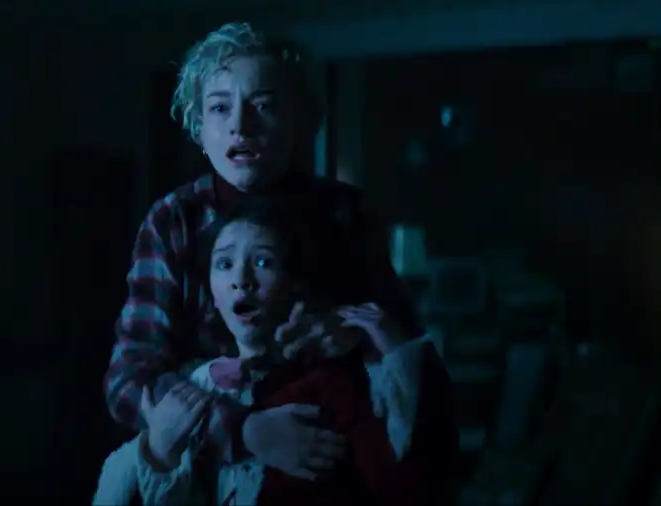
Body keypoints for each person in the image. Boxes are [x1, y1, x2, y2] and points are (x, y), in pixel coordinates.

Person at [104, 21, 454, 489]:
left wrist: (355, 335)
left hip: (334, 465)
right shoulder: (174, 220)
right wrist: (243, 431)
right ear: (199, 128)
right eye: (220, 107)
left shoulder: (343, 214)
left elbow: (408, 364)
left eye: (263, 106)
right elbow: (129, 382)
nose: (240, 125)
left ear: (299, 123)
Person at [94, 197, 454, 505]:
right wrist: (161, 453)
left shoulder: (330, 382)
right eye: (224, 264)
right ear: (212, 293)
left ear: (294, 285)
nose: (241, 279)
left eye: (263, 262)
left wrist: (394, 355)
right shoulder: (198, 385)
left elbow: (401, 487)